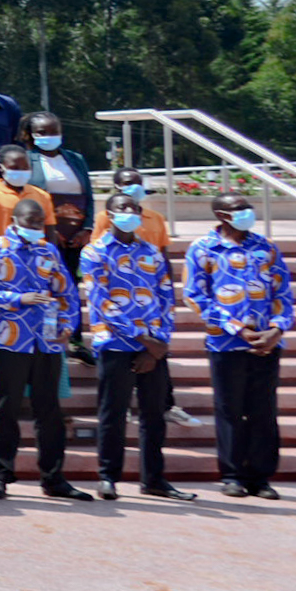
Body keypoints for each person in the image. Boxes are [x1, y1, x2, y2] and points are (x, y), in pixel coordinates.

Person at [78, 191, 189, 501]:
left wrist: (159, 345)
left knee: (154, 415)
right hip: (115, 344)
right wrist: (144, 340)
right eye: (121, 207)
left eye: (134, 208)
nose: (130, 211)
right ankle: (108, 476)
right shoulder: (94, 253)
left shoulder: (153, 253)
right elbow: (101, 300)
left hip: (152, 346)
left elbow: (166, 297)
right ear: (109, 215)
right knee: (112, 413)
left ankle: (154, 478)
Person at [0, 197, 85, 500]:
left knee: (49, 412)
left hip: (47, 342)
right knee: (5, 409)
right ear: (14, 219)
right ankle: (1, 475)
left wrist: (67, 326)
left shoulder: (48, 250)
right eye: (31, 221)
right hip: (11, 339)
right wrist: (16, 299)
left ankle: (53, 478)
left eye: (40, 222)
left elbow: (67, 292)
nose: (37, 227)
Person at [185, 192, 292, 500]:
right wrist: (238, 329)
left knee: (263, 411)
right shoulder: (203, 249)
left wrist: (276, 329)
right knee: (229, 410)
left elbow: (282, 291)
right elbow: (195, 296)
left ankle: (260, 477)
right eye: (237, 208)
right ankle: (232, 474)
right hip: (225, 343)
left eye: (247, 206)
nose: (246, 212)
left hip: (267, 343)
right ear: (221, 214)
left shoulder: (266, 248)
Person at [22, 112, 93, 272]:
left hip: (76, 235)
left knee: (71, 278)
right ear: (32, 134)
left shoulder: (76, 159)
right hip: (44, 233)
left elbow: (89, 196)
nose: (49, 136)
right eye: (42, 132)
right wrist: (49, 230)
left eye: (54, 131)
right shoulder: (25, 160)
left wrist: (87, 229)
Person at [0, 142, 53, 243]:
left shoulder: (42, 195)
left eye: (25, 168)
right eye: (15, 168)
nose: (21, 171)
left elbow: (50, 233)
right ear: (1, 168)